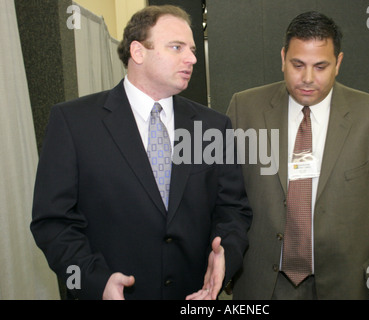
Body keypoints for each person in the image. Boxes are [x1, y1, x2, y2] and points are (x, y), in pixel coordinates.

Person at [31, 5, 252, 300]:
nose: (192, 58)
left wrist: (226, 252)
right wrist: (95, 281)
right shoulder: (73, 122)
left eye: (192, 49)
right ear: (138, 52)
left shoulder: (213, 126)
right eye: (177, 47)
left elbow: (233, 209)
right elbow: (53, 221)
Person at [226, 11, 369, 299]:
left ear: (338, 63)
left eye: (320, 66)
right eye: (297, 64)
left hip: (345, 284)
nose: (308, 79)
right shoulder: (244, 108)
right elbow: (227, 197)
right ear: (283, 57)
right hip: (263, 283)